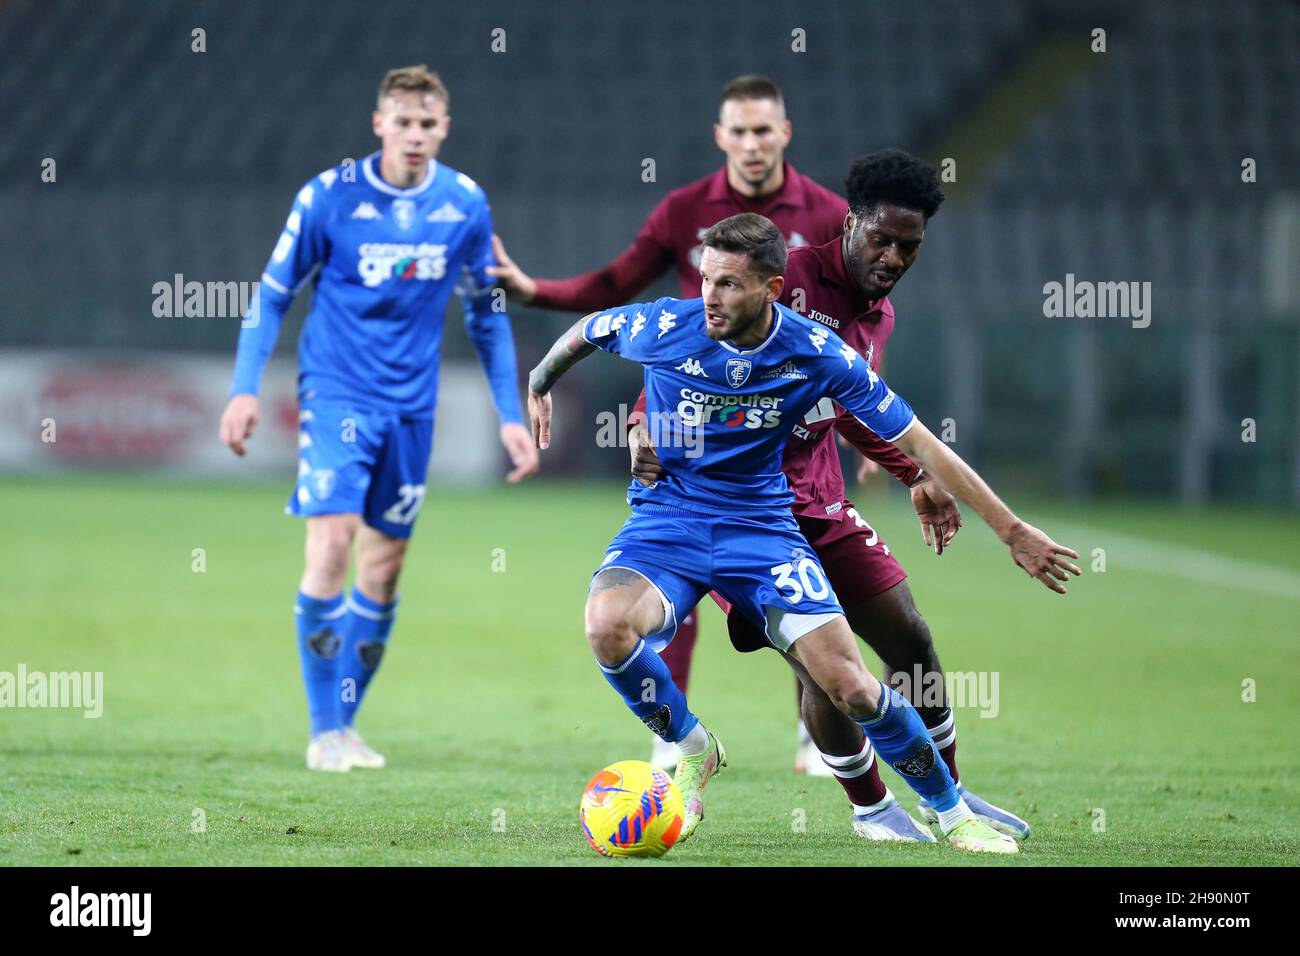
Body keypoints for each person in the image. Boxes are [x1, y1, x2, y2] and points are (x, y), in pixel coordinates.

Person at [526, 213, 1080, 852]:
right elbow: (589, 329)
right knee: (605, 625)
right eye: (706, 279)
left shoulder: (817, 354)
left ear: (770, 287)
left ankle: (953, 814)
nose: (710, 296)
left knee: (849, 685)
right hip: (666, 524)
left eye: (730, 284)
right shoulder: (663, 325)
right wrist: (541, 380)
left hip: (761, 532)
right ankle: (692, 746)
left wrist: (1010, 530)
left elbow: (924, 443)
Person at [490, 74, 910, 773]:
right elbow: (615, 287)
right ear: (720, 138)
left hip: (793, 411)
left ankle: (822, 717)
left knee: (796, 568)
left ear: (785, 134)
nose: (751, 143)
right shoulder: (686, 208)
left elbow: (867, 309)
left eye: (763, 130)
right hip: (686, 407)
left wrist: (870, 408)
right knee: (677, 553)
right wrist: (537, 291)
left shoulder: (831, 213)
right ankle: (674, 734)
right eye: (738, 131)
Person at [626, 150, 1031, 842]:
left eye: (910, 245)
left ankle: (948, 794)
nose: (895, 254)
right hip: (742, 512)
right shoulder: (783, 279)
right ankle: (873, 809)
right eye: (883, 238)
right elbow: (689, 354)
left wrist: (914, 473)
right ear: (851, 224)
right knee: (822, 665)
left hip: (821, 501)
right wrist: (643, 424)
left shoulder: (880, 317)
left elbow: (847, 405)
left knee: (910, 638)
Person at [219, 65, 538, 772]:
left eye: (428, 124)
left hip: (411, 409)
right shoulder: (329, 197)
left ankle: (345, 726)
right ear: (379, 124)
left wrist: (509, 414)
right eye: (403, 122)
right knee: (330, 542)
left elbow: (486, 316)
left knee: (385, 567)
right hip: (336, 396)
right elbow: (271, 295)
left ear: (444, 128)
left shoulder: (464, 204)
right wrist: (245, 389)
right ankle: (323, 730)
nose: (415, 136)